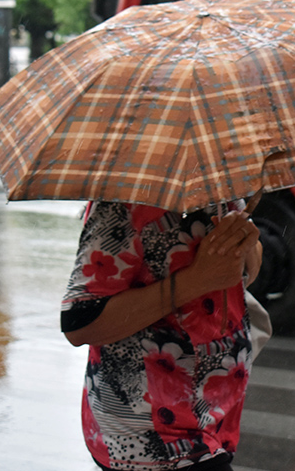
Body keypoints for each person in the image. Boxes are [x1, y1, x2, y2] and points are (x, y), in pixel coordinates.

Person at [62, 199, 263, 471]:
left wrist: (246, 246)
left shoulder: (220, 189)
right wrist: (198, 278)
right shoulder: (127, 200)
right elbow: (80, 322)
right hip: (155, 436)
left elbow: (233, 277)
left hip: (211, 418)